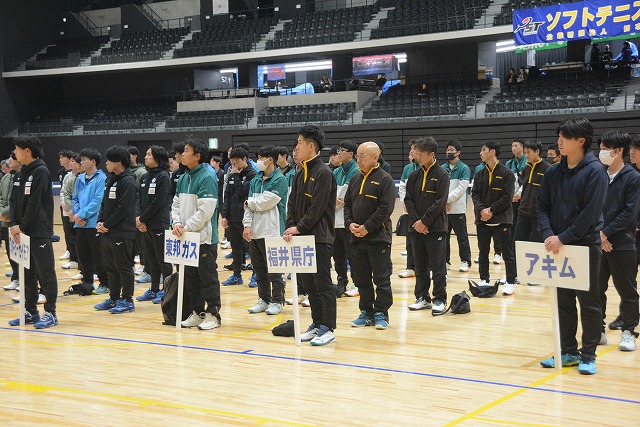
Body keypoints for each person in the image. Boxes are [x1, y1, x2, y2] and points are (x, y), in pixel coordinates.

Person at [537, 117, 608, 375]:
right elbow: (541, 207)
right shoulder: (553, 172)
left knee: (589, 303)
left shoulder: (595, 171)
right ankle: (567, 351)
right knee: (563, 302)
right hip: (557, 246)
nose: (559, 142)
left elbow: (590, 213)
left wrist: (563, 237)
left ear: (581, 141)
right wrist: (549, 235)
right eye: (559, 136)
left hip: (584, 246)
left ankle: (588, 354)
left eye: (565, 137)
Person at [284, 125, 337, 346]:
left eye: (299, 143)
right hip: (301, 237)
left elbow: (317, 208)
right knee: (309, 285)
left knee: (323, 284)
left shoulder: (324, 173)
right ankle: (317, 323)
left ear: (311, 146)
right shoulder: (299, 173)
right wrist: (290, 226)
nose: (296, 148)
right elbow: (292, 204)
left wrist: (299, 227)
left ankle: (328, 327)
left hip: (319, 238)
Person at [7, 136, 59, 328]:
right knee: (27, 274)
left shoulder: (41, 171)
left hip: (38, 231)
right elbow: (13, 201)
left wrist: (21, 226)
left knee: (45, 273)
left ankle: (51, 313)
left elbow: (34, 203)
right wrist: (14, 223)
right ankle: (31, 311)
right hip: (21, 231)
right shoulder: (20, 173)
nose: (15, 152)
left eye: (17, 149)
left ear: (27, 150)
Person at [596, 131, 640, 351]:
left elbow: (629, 213)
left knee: (627, 290)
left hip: (622, 243)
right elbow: (591, 207)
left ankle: (629, 331)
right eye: (601, 148)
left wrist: (606, 233)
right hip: (598, 242)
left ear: (618, 150)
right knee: (596, 289)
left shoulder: (633, 177)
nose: (602, 152)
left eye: (605, 148)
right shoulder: (599, 175)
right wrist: (599, 234)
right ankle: (598, 329)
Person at [172, 139, 222, 330]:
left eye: (186, 151)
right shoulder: (184, 177)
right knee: (190, 279)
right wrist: (177, 223)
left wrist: (187, 227)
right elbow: (176, 204)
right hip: (186, 238)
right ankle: (197, 312)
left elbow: (206, 211)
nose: (182, 154)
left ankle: (213, 315)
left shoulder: (207, 176)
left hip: (203, 239)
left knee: (208, 279)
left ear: (197, 156)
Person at [345, 141, 395, 329]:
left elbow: (385, 209)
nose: (358, 160)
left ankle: (381, 312)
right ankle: (366, 311)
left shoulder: (385, 179)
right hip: (356, 238)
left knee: (381, 279)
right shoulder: (355, 179)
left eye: (362, 156)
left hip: (378, 238)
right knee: (361, 278)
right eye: (357, 156)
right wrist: (350, 224)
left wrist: (367, 227)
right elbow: (347, 206)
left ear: (375, 157)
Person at [404, 137, 450, 314]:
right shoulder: (414, 175)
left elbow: (440, 202)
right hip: (416, 228)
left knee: (438, 266)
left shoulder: (442, 174)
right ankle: (422, 297)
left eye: (421, 153)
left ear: (431, 154)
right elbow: (408, 199)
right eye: (417, 152)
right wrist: (417, 222)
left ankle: (439, 299)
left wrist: (424, 221)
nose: (418, 156)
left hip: (435, 228)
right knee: (420, 265)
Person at [243, 145, 288, 315]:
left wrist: (249, 203)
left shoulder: (279, 179)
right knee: (259, 269)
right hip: (255, 232)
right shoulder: (255, 180)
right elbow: (248, 207)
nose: (258, 161)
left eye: (261, 158)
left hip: (272, 231)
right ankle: (264, 299)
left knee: (275, 270)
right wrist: (247, 225)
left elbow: (267, 202)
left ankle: (277, 300)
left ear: (270, 160)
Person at [93, 146, 137, 314]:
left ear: (118, 162)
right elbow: (104, 203)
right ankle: (114, 298)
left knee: (123, 266)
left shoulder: (128, 181)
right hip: (107, 231)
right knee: (110, 267)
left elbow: (123, 208)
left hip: (122, 231)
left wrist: (108, 224)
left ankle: (127, 300)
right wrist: (100, 221)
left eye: (109, 160)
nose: (106, 163)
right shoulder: (111, 178)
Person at [471, 140, 517, 295]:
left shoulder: (507, 173)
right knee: (483, 252)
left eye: (483, 150)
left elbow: (507, 197)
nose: (480, 153)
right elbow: (475, 194)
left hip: (501, 219)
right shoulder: (479, 174)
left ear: (493, 152)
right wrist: (481, 210)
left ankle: (510, 282)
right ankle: (484, 279)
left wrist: (491, 210)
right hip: (482, 220)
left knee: (507, 253)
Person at [136, 146, 173, 303]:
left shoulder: (164, 177)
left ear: (157, 158)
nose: (145, 157)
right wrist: (138, 217)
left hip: (158, 223)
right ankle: (154, 289)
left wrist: (142, 218)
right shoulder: (145, 177)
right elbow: (139, 199)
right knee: (151, 258)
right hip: (145, 224)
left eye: (149, 154)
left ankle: (167, 291)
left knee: (163, 259)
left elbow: (159, 202)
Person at [72, 148, 109, 295]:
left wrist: (82, 215)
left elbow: (97, 202)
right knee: (83, 256)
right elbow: (74, 198)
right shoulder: (80, 178)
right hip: (79, 223)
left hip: (93, 223)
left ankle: (104, 283)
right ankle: (87, 283)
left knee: (98, 255)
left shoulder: (101, 179)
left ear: (93, 161)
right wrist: (77, 215)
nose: (81, 162)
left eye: (84, 160)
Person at [221, 147, 256, 286]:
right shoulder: (231, 176)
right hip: (233, 218)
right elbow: (227, 197)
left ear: (245, 159)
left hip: (247, 219)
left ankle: (255, 275)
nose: (234, 165)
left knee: (252, 249)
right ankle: (236, 275)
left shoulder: (252, 175)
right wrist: (225, 216)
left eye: (237, 161)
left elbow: (242, 191)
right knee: (236, 248)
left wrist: (235, 176)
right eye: (232, 162)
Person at [333, 140, 359, 297]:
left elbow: (344, 196)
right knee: (338, 255)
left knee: (352, 254)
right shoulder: (336, 171)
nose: (339, 153)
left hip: (349, 220)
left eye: (342, 150)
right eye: (339, 150)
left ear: (351, 154)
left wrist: (334, 200)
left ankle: (357, 283)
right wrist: (333, 200)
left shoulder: (355, 171)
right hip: (334, 220)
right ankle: (341, 281)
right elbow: (330, 194)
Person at [442, 140, 472, 272]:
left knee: (462, 237)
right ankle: (445, 261)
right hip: (443, 210)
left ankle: (465, 261)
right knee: (444, 237)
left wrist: (446, 201)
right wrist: (443, 203)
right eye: (448, 150)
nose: (449, 152)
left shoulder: (464, 168)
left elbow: (461, 189)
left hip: (458, 209)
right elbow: (440, 187)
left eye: (452, 150)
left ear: (458, 152)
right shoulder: (442, 168)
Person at [513, 139, 550, 244]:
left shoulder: (547, 169)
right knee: (517, 244)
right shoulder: (526, 169)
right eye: (525, 152)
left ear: (537, 151)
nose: (526, 155)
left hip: (538, 214)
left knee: (536, 245)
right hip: (523, 212)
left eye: (528, 152)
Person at [398, 147, 419, 279]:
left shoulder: (428, 168)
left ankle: (428, 268)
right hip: (409, 211)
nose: (411, 152)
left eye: (414, 149)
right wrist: (404, 202)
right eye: (410, 149)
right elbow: (402, 186)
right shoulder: (407, 168)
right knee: (410, 241)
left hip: (423, 212)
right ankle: (410, 268)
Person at [1, 153, 20, 291]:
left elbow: (17, 200)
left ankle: (24, 279)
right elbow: (1, 197)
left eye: (12, 158)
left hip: (16, 221)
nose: (9, 160)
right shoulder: (6, 178)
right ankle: (16, 278)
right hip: (5, 221)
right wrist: (1, 214)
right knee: (10, 250)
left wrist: (5, 213)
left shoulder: (22, 177)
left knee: (20, 252)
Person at [60, 154, 80, 270]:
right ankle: (73, 259)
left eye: (74, 161)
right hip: (67, 211)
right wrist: (65, 204)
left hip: (77, 212)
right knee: (69, 234)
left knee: (77, 236)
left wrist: (73, 209)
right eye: (71, 161)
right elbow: (63, 192)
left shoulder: (82, 177)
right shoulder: (68, 176)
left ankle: (79, 260)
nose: (71, 163)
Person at [57, 150, 74, 261]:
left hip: (72, 205)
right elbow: (63, 190)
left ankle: (74, 253)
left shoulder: (75, 173)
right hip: (63, 204)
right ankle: (68, 249)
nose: (60, 159)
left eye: (62, 157)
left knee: (72, 230)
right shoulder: (60, 172)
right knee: (66, 229)